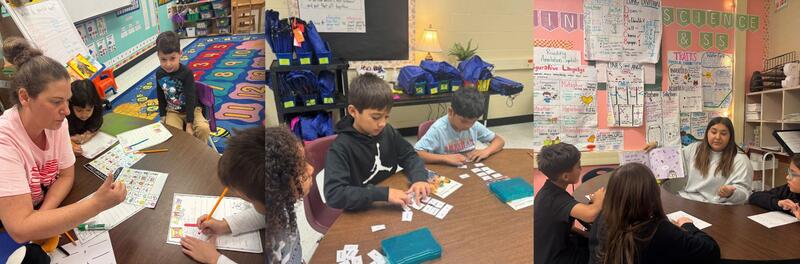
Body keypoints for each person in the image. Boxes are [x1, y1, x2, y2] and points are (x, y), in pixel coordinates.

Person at [0, 37, 126, 243]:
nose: (67, 111)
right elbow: (19, 228)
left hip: (38, 213)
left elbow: (66, 175)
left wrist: (41, 218)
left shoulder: (56, 124)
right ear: (25, 97)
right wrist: (97, 204)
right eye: (56, 102)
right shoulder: (5, 141)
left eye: (67, 100)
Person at [180, 126, 313, 263]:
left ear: (242, 195)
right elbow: (263, 215)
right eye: (300, 170)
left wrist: (214, 259)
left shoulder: (278, 202)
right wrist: (224, 225)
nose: (311, 169)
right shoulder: (277, 200)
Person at [324, 73, 431, 211]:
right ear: (353, 111)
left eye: (386, 117)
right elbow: (334, 195)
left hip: (390, 200)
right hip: (362, 208)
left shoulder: (388, 132)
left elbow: (410, 156)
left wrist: (419, 178)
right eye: (376, 117)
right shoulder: (340, 148)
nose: (382, 124)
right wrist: (382, 194)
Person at [588, 163, 720, 264]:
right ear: (652, 194)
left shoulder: (603, 217)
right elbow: (711, 250)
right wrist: (687, 225)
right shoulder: (658, 230)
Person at [645, 117, 753, 204]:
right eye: (713, 132)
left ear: (731, 136)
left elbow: (745, 194)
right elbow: (673, 155)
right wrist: (656, 147)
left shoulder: (740, 160)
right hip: (687, 199)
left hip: (716, 207)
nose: (717, 137)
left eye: (723, 134)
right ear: (707, 133)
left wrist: (731, 194)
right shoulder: (695, 149)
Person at [534, 143, 605, 264]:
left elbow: (568, 227)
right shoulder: (555, 199)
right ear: (566, 176)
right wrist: (599, 198)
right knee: (602, 254)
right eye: (578, 166)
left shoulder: (548, 191)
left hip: (554, 246)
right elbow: (591, 214)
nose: (580, 169)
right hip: (554, 258)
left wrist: (587, 235)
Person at [414, 88, 505, 166]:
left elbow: (499, 141)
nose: (468, 126)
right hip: (444, 168)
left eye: (473, 121)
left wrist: (486, 151)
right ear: (450, 112)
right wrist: (444, 158)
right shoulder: (438, 129)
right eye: (464, 121)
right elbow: (416, 154)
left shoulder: (475, 125)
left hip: (467, 167)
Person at [154, 31, 211, 142]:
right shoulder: (159, 74)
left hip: (192, 110)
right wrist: (162, 116)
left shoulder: (187, 73)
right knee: (172, 133)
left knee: (203, 128)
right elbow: (160, 96)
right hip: (173, 111)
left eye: (172, 58)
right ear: (158, 56)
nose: (168, 64)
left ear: (180, 53)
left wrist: (189, 124)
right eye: (163, 59)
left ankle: (200, 150)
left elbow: (190, 98)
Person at [749, 154, 800, 219]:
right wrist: (778, 203)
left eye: (793, 174)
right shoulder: (787, 190)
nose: (787, 177)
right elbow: (754, 197)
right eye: (789, 172)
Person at [67, 79, 104, 155]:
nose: (84, 115)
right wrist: (70, 143)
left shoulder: (97, 107)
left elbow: (98, 122)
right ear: (70, 105)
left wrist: (90, 134)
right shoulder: (65, 113)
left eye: (88, 110)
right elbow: (55, 135)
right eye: (79, 110)